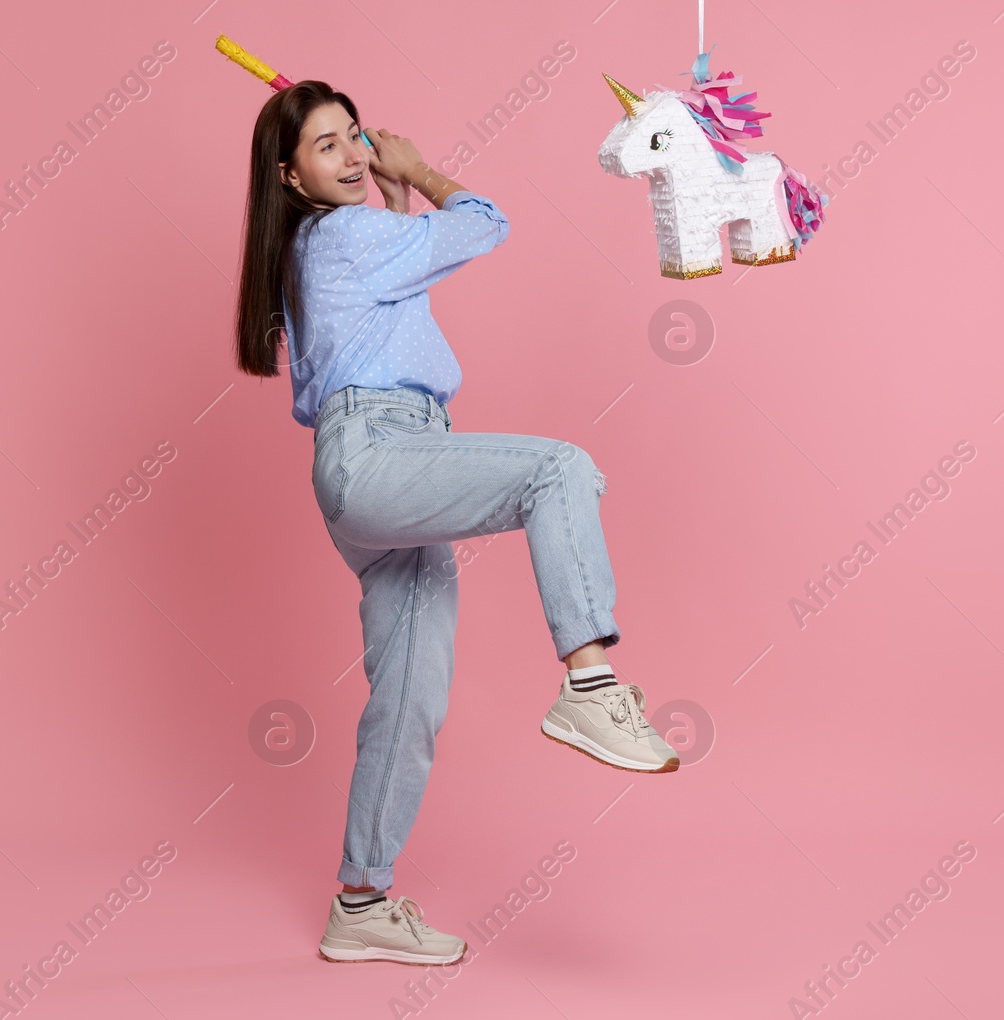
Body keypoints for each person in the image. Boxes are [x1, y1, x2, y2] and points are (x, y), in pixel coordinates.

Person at [233, 80, 680, 967]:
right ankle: (590, 687)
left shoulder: (328, 245)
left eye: (357, 135)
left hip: (374, 469)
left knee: (408, 699)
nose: (357, 153)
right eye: (329, 147)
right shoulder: (346, 235)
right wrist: (423, 173)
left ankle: (360, 903)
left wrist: (391, 197)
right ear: (289, 176)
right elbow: (484, 223)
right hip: (379, 452)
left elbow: (397, 300)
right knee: (557, 468)